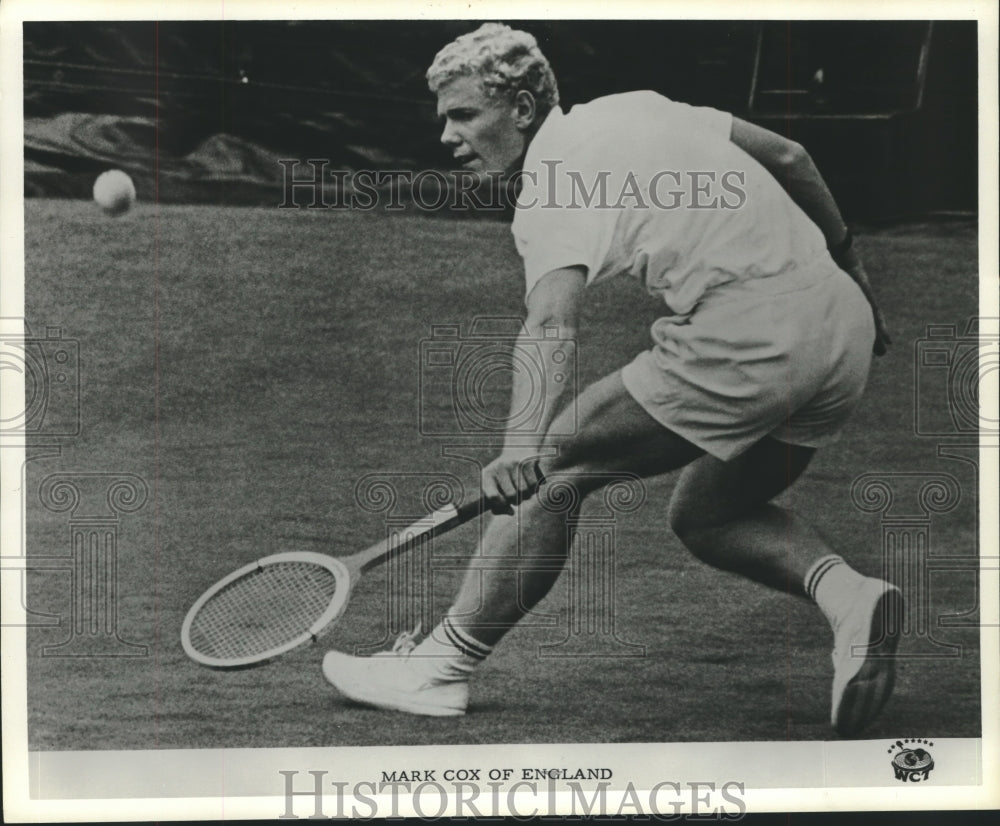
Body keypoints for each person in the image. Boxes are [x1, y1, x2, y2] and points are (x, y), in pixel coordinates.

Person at [323, 23, 900, 737]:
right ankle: (851, 597)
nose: (447, 135)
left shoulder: (550, 192)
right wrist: (852, 267)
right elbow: (790, 155)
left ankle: (437, 670)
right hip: (840, 330)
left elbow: (550, 325)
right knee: (712, 515)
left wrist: (519, 447)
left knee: (557, 461)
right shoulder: (637, 106)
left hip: (752, 335)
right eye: (444, 116)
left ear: (524, 110)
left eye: (466, 114)